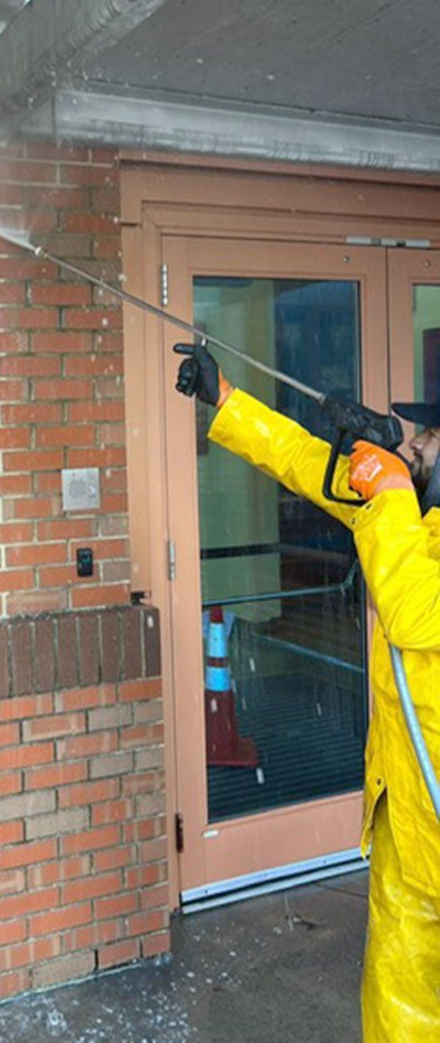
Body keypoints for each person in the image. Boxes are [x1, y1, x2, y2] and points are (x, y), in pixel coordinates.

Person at [174, 342, 440, 1042]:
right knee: (399, 997)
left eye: (429, 437)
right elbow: (304, 463)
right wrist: (227, 402)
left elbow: (414, 612)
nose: (414, 446)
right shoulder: (413, 525)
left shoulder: (402, 523)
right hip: (410, 825)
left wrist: (391, 492)